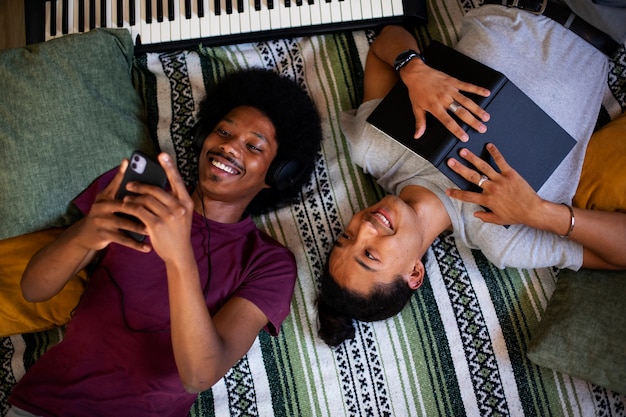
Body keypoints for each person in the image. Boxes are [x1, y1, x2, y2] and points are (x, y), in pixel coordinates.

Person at [8, 68, 322, 416]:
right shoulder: (139, 192)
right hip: (40, 406)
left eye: (252, 146)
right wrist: (86, 232)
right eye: (222, 131)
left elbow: (199, 375)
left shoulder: (268, 263)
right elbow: (33, 289)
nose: (229, 146)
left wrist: (179, 257)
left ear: (278, 174)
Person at [317, 4, 626, 347]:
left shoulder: (375, 147)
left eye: (347, 236)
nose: (365, 228)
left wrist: (411, 67)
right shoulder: (503, 240)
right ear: (414, 273)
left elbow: (385, 42)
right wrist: (539, 213)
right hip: (601, 21)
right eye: (371, 255)